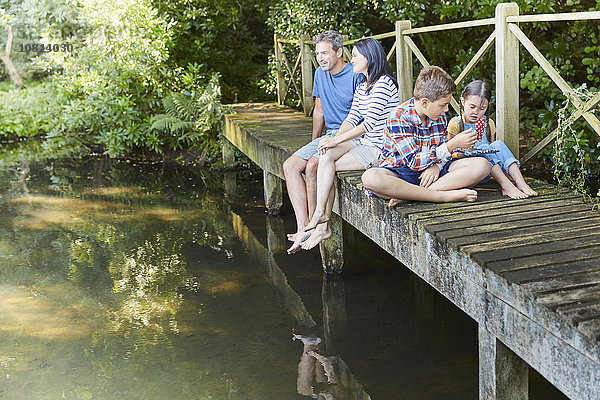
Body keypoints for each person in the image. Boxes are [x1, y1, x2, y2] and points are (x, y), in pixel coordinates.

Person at [301, 38, 400, 250]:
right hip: (364, 143)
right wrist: (331, 140)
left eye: (355, 55)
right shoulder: (363, 86)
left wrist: (336, 139)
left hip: (380, 148)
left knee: (328, 165)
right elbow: (353, 118)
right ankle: (321, 216)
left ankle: (322, 219)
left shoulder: (383, 83)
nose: (351, 59)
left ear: (369, 58)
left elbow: (369, 123)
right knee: (325, 155)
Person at [361, 66, 490, 205]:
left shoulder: (439, 116)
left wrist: (437, 167)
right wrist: (453, 144)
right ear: (424, 102)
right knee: (370, 177)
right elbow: (414, 162)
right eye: (443, 105)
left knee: (482, 165)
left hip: (432, 175)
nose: (446, 109)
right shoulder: (398, 117)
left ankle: (410, 195)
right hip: (402, 174)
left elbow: (444, 154)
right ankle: (441, 196)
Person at [283, 30, 361, 254]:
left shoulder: (355, 74)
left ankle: (318, 226)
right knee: (290, 165)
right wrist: (314, 142)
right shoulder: (320, 74)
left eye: (325, 53)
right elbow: (319, 110)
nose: (321, 58)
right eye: (318, 53)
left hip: (349, 135)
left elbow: (361, 118)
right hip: (328, 134)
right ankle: (303, 227)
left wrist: (325, 147)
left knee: (313, 166)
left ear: (339, 52)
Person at [448, 80, 538, 199]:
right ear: (463, 101)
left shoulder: (488, 123)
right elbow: (449, 155)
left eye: (482, 108)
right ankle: (507, 186)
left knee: (498, 144)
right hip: (469, 170)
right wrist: (466, 152)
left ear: (487, 106)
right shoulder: (456, 124)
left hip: (488, 171)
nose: (476, 112)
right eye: (472, 106)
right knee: (483, 148)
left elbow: (494, 151)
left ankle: (521, 183)